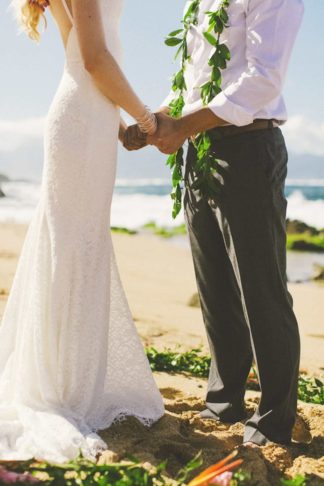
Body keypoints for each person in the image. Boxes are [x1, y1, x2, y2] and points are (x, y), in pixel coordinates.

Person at [125, 0, 304, 447]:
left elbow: (262, 81)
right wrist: (158, 121)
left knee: (260, 289)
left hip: (248, 147)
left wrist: (184, 125)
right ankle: (224, 401)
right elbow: (198, 82)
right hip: (199, 153)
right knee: (216, 289)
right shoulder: (201, 2)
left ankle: (274, 418)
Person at [0, 0, 164, 463]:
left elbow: (81, 57)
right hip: (83, 117)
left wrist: (117, 125)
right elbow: (94, 59)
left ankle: (63, 375)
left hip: (88, 114)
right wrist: (145, 120)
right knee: (74, 243)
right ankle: (61, 384)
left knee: (75, 243)